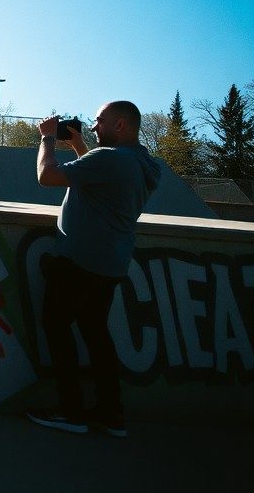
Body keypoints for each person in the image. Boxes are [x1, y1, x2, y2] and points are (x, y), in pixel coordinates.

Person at [26, 101, 161, 438]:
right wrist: (77, 145)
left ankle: (71, 411)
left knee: (57, 326)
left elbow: (47, 176)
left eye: (100, 121)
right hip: (111, 262)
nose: (94, 126)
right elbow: (95, 177)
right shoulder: (142, 163)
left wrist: (47, 140)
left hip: (79, 262)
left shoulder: (109, 159)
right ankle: (111, 413)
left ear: (120, 125)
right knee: (95, 334)